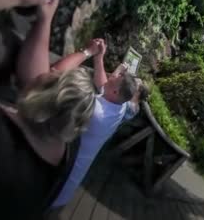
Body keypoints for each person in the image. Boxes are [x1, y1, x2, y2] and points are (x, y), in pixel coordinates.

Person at [0, 0, 98, 219]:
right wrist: (47, 18)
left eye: (53, 76)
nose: (51, 70)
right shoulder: (61, 145)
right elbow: (39, 76)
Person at [51, 39, 147, 208]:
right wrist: (99, 57)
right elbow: (103, 83)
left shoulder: (94, 110)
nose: (114, 74)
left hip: (56, 178)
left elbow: (54, 73)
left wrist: (88, 52)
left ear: (116, 90)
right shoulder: (121, 106)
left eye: (117, 76)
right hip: (67, 180)